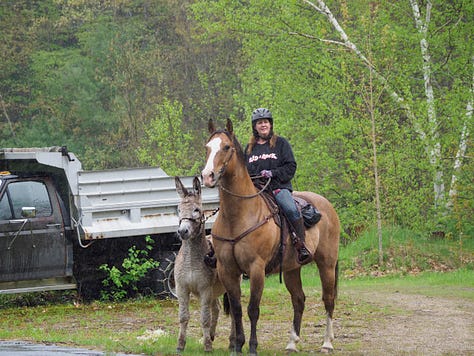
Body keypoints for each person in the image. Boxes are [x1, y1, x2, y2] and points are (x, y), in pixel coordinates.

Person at [244, 108, 311, 264]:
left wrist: (273, 173)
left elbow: (291, 166)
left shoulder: (281, 143)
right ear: (255, 126)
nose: (263, 125)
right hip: (255, 191)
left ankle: (300, 245)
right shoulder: (249, 149)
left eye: (266, 122)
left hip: (277, 187)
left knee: (290, 209)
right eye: (260, 123)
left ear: (270, 124)